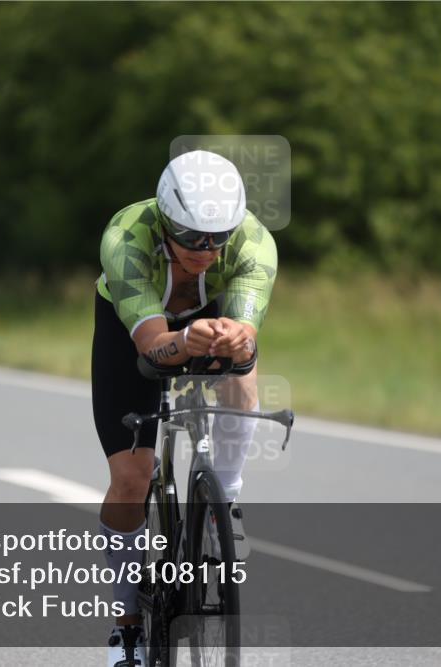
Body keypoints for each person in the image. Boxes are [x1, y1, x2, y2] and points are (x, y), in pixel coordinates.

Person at [91, 149, 277, 667]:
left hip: (204, 314)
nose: (207, 250)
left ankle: (227, 506)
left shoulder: (255, 244)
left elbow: (247, 333)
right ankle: (127, 627)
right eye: (194, 238)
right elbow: (153, 349)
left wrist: (237, 343)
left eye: (219, 238)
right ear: (167, 221)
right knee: (131, 478)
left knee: (243, 375)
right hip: (133, 325)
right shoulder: (126, 237)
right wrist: (186, 340)